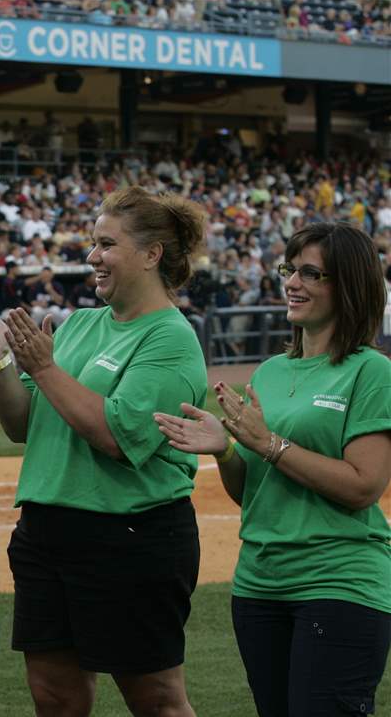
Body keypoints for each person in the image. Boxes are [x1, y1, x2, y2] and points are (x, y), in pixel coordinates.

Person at [0, 185, 208, 716]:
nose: (92, 257)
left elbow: (116, 436)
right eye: (93, 243)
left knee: (156, 699)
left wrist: (42, 366)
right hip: (47, 533)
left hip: (131, 536)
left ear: (151, 254)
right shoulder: (83, 325)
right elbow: (23, 424)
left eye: (106, 244)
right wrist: (0, 363)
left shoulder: (170, 338)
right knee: (54, 696)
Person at [154, 221, 390, 717]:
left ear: (348, 286)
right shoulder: (271, 370)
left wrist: (268, 442)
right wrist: (228, 450)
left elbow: (364, 486)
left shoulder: (372, 371)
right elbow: (252, 494)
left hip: (339, 583)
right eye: (289, 268)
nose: (292, 282)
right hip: (259, 585)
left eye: (311, 273)